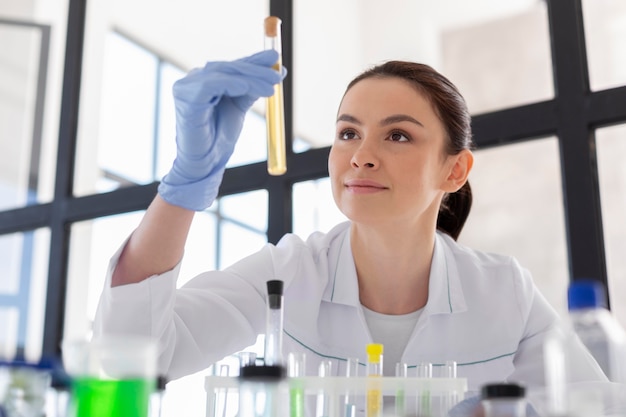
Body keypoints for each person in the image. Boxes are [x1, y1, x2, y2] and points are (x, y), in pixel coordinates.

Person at [93, 49, 607, 406]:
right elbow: (133, 360)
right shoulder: (288, 272)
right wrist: (184, 186)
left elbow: (595, 405)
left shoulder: (503, 291)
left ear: (454, 170)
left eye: (398, 135)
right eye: (348, 132)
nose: (361, 156)